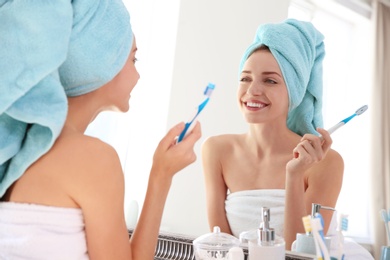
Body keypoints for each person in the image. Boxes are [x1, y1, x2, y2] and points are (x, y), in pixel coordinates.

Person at [0, 0, 201, 259]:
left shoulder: (11, 151)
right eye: (133, 58)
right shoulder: (93, 158)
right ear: (102, 63)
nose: (137, 76)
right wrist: (161, 175)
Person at [201, 19, 344, 251]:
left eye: (270, 80)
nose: (252, 91)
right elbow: (221, 247)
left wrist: (295, 174)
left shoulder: (325, 163)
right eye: (245, 78)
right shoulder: (216, 150)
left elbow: (299, 253)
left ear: (294, 91)